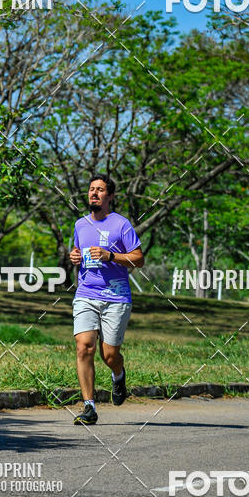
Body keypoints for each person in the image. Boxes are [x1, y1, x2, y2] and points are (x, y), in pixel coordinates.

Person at [69, 175, 144, 425]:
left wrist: (111, 255)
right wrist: (75, 257)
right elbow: (79, 252)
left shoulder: (121, 225)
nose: (94, 193)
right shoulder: (80, 224)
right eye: (91, 189)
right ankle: (89, 406)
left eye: (100, 190)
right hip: (87, 293)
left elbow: (138, 259)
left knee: (109, 355)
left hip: (116, 297)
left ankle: (118, 375)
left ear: (109, 196)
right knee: (84, 347)